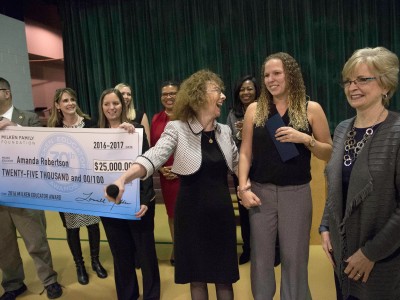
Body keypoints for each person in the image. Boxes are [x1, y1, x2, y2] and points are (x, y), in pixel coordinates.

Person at [106, 70, 239, 300]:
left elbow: (239, 166)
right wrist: (123, 178)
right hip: (191, 215)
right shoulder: (177, 128)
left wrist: (249, 185)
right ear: (198, 97)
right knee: (197, 277)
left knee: (224, 276)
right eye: (217, 90)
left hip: (221, 215)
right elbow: (153, 156)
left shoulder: (225, 131)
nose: (223, 96)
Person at [238, 52, 333, 300]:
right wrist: (242, 188)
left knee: (295, 257)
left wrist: (305, 139)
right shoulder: (254, 110)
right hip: (260, 193)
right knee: (260, 257)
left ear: (290, 74)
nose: (271, 79)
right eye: (267, 75)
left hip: (296, 193)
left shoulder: (311, 109)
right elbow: (245, 152)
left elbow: (329, 152)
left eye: (277, 73)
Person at [320, 47, 400, 300]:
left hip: (382, 259)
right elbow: (335, 185)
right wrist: (324, 227)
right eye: (348, 81)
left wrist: (370, 254)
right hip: (342, 257)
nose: (352, 87)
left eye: (363, 79)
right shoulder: (343, 128)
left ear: (385, 85)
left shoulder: (397, 132)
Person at [0, 77, 62, 299]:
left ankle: (49, 280)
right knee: (4, 245)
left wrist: (15, 129)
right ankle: (13, 284)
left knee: (36, 240)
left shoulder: (28, 118)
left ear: (6, 93)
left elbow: (41, 148)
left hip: (25, 192)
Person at [98, 88, 160, 300]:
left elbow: (147, 167)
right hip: (109, 206)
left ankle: (152, 295)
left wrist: (144, 200)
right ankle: (127, 295)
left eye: (115, 103)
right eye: (107, 104)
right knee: (121, 255)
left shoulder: (137, 131)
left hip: (138, 204)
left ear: (122, 106)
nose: (111, 108)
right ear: (101, 107)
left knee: (146, 254)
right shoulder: (93, 133)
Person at [47, 88, 107, 285]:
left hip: (89, 185)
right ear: (58, 105)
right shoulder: (53, 128)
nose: (70, 103)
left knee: (92, 224)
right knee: (72, 228)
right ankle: (79, 265)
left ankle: (95, 262)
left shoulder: (89, 124)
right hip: (65, 187)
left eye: (72, 99)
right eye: (65, 100)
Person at [226, 75, 260, 265]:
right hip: (240, 167)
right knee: (245, 211)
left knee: (266, 208)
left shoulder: (266, 110)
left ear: (256, 91)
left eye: (250, 89)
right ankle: (247, 249)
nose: (246, 93)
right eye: (242, 89)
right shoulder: (233, 113)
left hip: (262, 166)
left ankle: (273, 249)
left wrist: (251, 127)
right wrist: (241, 130)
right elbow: (231, 140)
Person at [150, 80, 180, 266]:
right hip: (165, 173)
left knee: (188, 212)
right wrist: (160, 167)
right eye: (165, 94)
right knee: (172, 213)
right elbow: (154, 147)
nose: (168, 97)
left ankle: (191, 247)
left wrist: (180, 169)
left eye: (172, 93)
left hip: (186, 173)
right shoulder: (156, 119)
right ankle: (176, 247)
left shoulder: (188, 116)